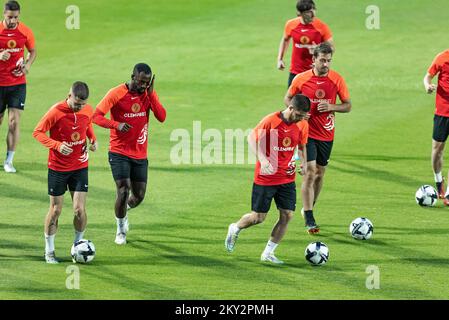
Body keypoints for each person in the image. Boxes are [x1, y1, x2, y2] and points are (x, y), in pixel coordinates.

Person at [225, 94, 310, 264]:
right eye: (299, 115)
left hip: (287, 177)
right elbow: (251, 138)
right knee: (258, 218)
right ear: (291, 108)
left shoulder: (302, 124)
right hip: (266, 178)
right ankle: (235, 228)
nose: (300, 119)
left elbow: (301, 146)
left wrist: (304, 163)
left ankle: (268, 253)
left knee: (287, 215)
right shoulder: (271, 120)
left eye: (303, 116)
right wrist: (263, 160)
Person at [93, 63, 166, 245]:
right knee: (123, 190)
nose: (144, 85)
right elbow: (96, 116)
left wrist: (151, 96)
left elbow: (162, 117)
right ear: (133, 77)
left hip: (140, 154)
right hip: (118, 152)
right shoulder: (116, 93)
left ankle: (123, 210)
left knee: (139, 196)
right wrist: (116, 125)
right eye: (141, 81)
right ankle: (120, 229)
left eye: (147, 82)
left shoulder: (148, 94)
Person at [284, 42, 351, 234]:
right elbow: (288, 98)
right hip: (306, 132)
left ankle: (309, 206)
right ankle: (310, 215)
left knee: (320, 173)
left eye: (329, 61)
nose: (326, 64)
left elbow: (348, 105)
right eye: (322, 60)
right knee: (310, 172)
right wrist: (298, 113)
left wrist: (331, 107)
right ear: (313, 60)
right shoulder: (301, 79)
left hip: (326, 133)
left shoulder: (337, 80)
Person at [33, 82, 97, 264]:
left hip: (80, 166)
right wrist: (57, 145)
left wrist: (93, 140)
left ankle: (77, 246)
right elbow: (37, 132)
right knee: (55, 210)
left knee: (79, 210)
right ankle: (49, 252)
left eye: (82, 105)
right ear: (69, 96)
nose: (79, 107)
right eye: (76, 104)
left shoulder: (86, 110)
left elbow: (88, 124)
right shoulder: (56, 111)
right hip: (58, 168)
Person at [0, 0, 36, 173]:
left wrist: (27, 66)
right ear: (3, 15)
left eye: (15, 17)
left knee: (14, 122)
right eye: (9, 17)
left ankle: (9, 161)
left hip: (17, 84)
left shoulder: (25, 31)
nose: (13, 21)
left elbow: (33, 51)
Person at [277, 0, 333, 87]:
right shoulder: (291, 25)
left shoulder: (321, 27)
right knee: (291, 99)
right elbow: (285, 39)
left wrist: (318, 50)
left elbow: (331, 48)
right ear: (299, 13)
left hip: (316, 72)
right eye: (309, 12)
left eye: (314, 10)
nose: (313, 14)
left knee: (315, 100)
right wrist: (280, 59)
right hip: (295, 72)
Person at [423, 49, 449, 203]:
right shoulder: (442, 57)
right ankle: (439, 181)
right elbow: (427, 77)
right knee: (437, 151)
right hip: (443, 112)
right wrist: (427, 86)